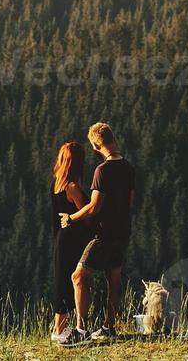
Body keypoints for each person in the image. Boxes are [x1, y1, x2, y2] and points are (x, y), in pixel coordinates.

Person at [56, 121, 136, 346]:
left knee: (78, 276)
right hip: (123, 231)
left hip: (104, 234)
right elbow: (130, 202)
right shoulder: (128, 167)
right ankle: (109, 327)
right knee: (114, 277)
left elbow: (93, 207)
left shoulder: (102, 171)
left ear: (95, 145)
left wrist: (71, 218)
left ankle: (81, 330)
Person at [48, 141, 91, 343]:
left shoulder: (56, 182)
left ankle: (58, 329)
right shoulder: (72, 187)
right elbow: (85, 213)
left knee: (62, 281)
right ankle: (59, 330)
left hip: (60, 238)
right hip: (73, 239)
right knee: (69, 282)